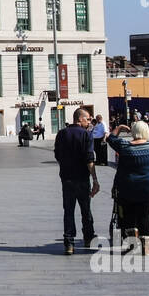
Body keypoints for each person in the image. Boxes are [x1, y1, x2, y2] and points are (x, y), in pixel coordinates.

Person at [107, 121, 149, 257]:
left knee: (128, 215)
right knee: (145, 215)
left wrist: (119, 128)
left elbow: (110, 138)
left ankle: (132, 244)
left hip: (128, 186)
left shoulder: (124, 146)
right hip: (148, 186)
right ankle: (146, 246)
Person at [54, 107, 101, 254]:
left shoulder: (61, 134)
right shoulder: (86, 135)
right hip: (82, 178)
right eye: (87, 119)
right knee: (85, 210)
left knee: (68, 211)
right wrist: (95, 179)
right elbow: (89, 159)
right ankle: (88, 238)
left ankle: (69, 243)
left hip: (67, 178)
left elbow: (57, 155)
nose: (89, 122)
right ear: (79, 119)